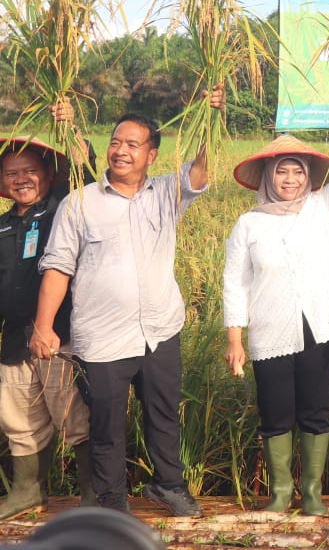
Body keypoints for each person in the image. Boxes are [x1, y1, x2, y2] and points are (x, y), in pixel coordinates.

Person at [30, 87, 225, 516]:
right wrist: (44, 325)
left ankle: (169, 486)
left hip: (159, 330)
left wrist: (212, 117)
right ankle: (112, 500)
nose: (120, 151)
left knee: (163, 414)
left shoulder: (166, 193)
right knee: (106, 424)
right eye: (116, 142)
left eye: (133, 145)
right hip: (102, 337)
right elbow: (58, 266)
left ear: (152, 155)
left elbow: (200, 170)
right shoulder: (81, 201)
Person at [223, 101, 329, 516]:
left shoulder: (320, 207)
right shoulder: (248, 224)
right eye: (282, 172)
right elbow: (234, 281)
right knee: (275, 412)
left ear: (308, 177)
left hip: (319, 326)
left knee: (315, 408)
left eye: (298, 171)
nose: (290, 179)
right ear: (269, 177)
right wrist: (234, 337)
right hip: (270, 330)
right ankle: (281, 493)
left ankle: (312, 493)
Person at [0, 119, 95, 519]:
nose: (21, 179)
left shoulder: (63, 206)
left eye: (30, 171)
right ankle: (27, 492)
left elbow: (85, 174)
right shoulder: (3, 224)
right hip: (13, 342)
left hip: (60, 335)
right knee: (19, 419)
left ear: (48, 174)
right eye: (11, 173)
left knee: (75, 415)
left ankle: (94, 494)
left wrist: (70, 126)